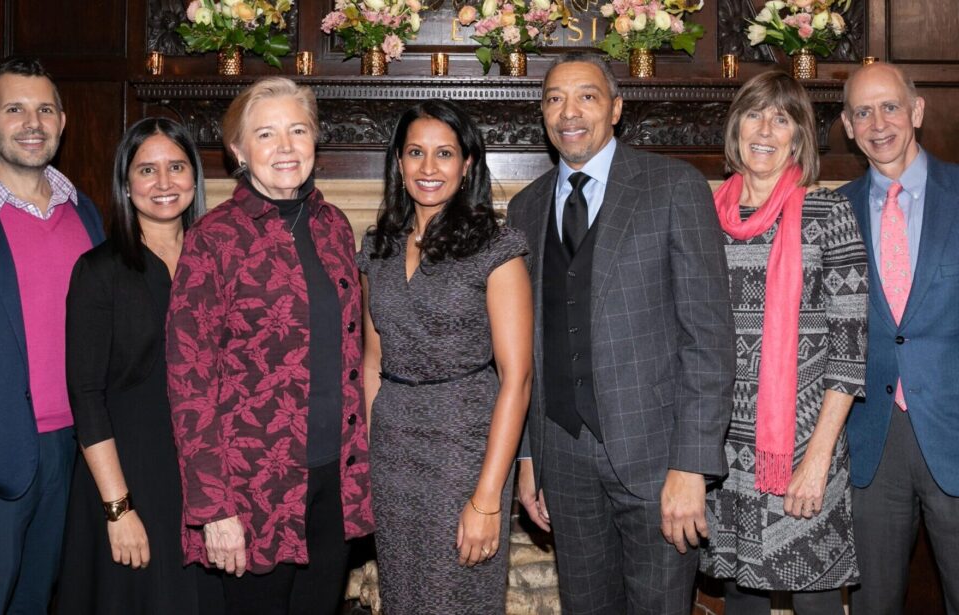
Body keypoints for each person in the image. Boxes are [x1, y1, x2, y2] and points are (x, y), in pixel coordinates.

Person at [508, 52, 735, 614]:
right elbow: (526, 349)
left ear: (616, 107)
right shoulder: (525, 209)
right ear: (543, 113)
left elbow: (708, 339)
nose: (569, 112)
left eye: (586, 95)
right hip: (562, 456)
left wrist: (692, 466)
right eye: (555, 98)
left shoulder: (673, 187)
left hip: (658, 460)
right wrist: (530, 456)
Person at [166, 76, 373, 615]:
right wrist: (214, 509)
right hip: (252, 487)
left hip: (334, 478)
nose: (285, 147)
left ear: (315, 140)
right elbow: (189, 381)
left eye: (298, 130)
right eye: (266, 134)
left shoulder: (334, 228)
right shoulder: (213, 238)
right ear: (238, 149)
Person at [0, 57, 105, 613]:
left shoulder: (87, 215)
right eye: (15, 109)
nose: (32, 122)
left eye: (45, 109)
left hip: (71, 457)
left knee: (38, 602)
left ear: (62, 121)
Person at [697, 71, 868, 614]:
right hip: (720, 453)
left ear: (799, 136)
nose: (766, 128)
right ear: (736, 128)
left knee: (815, 599)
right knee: (741, 603)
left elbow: (849, 351)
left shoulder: (828, 213)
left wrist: (817, 460)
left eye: (783, 117)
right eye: (754, 114)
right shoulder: (701, 216)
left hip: (799, 450)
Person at [358, 99, 533, 613]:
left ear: (468, 164)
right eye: (416, 153)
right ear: (398, 162)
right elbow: (373, 361)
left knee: (455, 597)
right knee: (403, 598)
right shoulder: (378, 246)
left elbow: (517, 379)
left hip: (464, 450)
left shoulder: (496, 247)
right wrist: (372, 456)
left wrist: (486, 499)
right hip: (392, 453)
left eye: (444, 154)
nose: (429, 168)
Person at [56, 117, 223, 613]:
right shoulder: (99, 271)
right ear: (126, 185)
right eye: (147, 170)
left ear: (194, 178)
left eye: (176, 167)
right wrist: (118, 508)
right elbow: (86, 397)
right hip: (128, 475)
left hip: (205, 476)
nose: (164, 182)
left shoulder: (216, 261)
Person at [839, 62, 959, 614]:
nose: (878, 123)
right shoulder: (832, 211)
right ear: (846, 125)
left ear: (916, 111)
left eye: (890, 107)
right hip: (869, 441)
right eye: (863, 111)